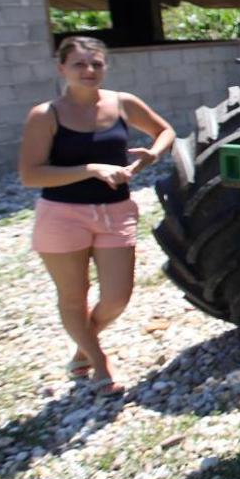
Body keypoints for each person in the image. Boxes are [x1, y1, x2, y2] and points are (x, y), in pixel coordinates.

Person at [18, 37, 175, 396]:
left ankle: (83, 345)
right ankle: (99, 363)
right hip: (62, 215)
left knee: (118, 296)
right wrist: (90, 169)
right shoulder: (46, 115)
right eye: (79, 64)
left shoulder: (122, 103)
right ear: (62, 69)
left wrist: (151, 154)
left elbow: (165, 131)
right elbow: (31, 174)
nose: (89, 71)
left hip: (116, 212)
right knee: (74, 296)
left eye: (96, 64)